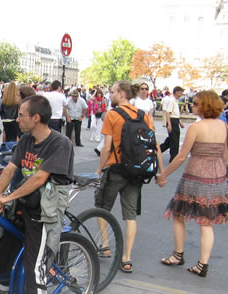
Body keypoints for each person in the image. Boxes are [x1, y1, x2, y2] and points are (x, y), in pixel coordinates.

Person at [0, 95, 74, 294]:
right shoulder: (25, 140)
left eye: (22, 114)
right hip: (21, 206)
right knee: (3, 246)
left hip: (42, 213)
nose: (17, 118)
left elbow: (39, 178)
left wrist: (7, 197)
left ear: (36, 118)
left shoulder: (60, 143)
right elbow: (11, 169)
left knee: (34, 270)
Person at [157, 90, 228, 277]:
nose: (192, 106)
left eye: (195, 104)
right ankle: (202, 264)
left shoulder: (196, 127)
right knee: (207, 222)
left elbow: (181, 157)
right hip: (217, 175)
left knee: (179, 213)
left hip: (195, 175)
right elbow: (226, 155)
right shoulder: (223, 126)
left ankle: (177, 254)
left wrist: (163, 174)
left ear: (204, 106)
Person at [97, 81, 165, 274]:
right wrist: (161, 172)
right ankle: (126, 258)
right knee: (130, 215)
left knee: (102, 208)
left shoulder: (112, 114)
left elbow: (107, 147)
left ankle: (105, 245)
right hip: (136, 171)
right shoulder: (143, 115)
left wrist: (98, 170)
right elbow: (155, 145)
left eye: (112, 92)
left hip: (115, 168)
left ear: (121, 94)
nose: (110, 95)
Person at [160, 86, 185, 163]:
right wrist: (169, 124)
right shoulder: (172, 101)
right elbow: (168, 112)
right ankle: (173, 158)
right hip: (172, 120)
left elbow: (175, 113)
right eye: (181, 92)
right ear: (177, 92)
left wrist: (180, 122)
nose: (181, 93)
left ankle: (158, 151)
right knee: (174, 141)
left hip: (175, 120)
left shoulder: (175, 101)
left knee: (170, 140)